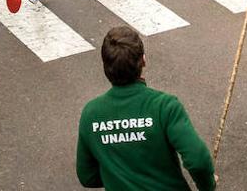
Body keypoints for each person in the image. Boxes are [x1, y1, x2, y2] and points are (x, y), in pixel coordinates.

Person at [76, 25, 215, 191]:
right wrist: (208, 185)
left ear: (105, 66)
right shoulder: (165, 106)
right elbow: (198, 160)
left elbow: (87, 177)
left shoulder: (91, 114)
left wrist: (118, 177)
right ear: (143, 60)